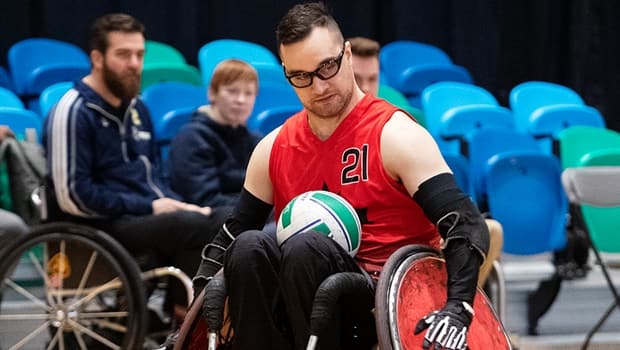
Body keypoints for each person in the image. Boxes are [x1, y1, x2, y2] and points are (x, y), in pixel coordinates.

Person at [195, 3, 489, 349]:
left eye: (327, 67)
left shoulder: (395, 134)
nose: (318, 87)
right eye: (301, 76)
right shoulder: (273, 148)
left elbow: (465, 223)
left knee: (306, 247)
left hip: (383, 304)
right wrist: (192, 318)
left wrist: (457, 309)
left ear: (347, 54)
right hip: (296, 303)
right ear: (287, 74)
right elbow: (229, 236)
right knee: (247, 247)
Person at [42, 13, 227, 319]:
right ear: (97, 58)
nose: (134, 63)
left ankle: (179, 312)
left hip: (140, 216)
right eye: (123, 54)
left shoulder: (138, 108)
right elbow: (72, 196)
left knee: (221, 217)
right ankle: (185, 317)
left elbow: (154, 176)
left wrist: (175, 204)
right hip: (99, 224)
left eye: (139, 55)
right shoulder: (73, 109)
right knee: (194, 225)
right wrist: (152, 207)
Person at [349, 35, 504, 289]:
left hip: (414, 232)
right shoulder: (331, 133)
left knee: (488, 232)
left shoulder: (397, 126)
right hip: (374, 244)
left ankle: (459, 315)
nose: (366, 89)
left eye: (372, 79)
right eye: (357, 80)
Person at [168, 59, 261, 208]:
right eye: (232, 91)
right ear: (212, 93)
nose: (241, 100)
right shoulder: (191, 138)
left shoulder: (256, 141)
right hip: (209, 220)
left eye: (249, 93)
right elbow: (204, 200)